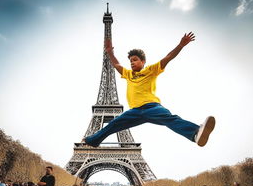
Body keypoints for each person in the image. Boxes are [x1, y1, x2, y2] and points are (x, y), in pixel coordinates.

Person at [82, 33, 215, 148]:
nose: (132, 62)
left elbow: (167, 57)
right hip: (134, 111)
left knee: (171, 119)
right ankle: (93, 140)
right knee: (114, 124)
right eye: (130, 61)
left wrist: (180, 45)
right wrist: (110, 52)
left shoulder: (151, 70)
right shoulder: (128, 74)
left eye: (135, 60)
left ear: (143, 61)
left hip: (152, 107)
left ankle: (196, 133)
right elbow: (116, 64)